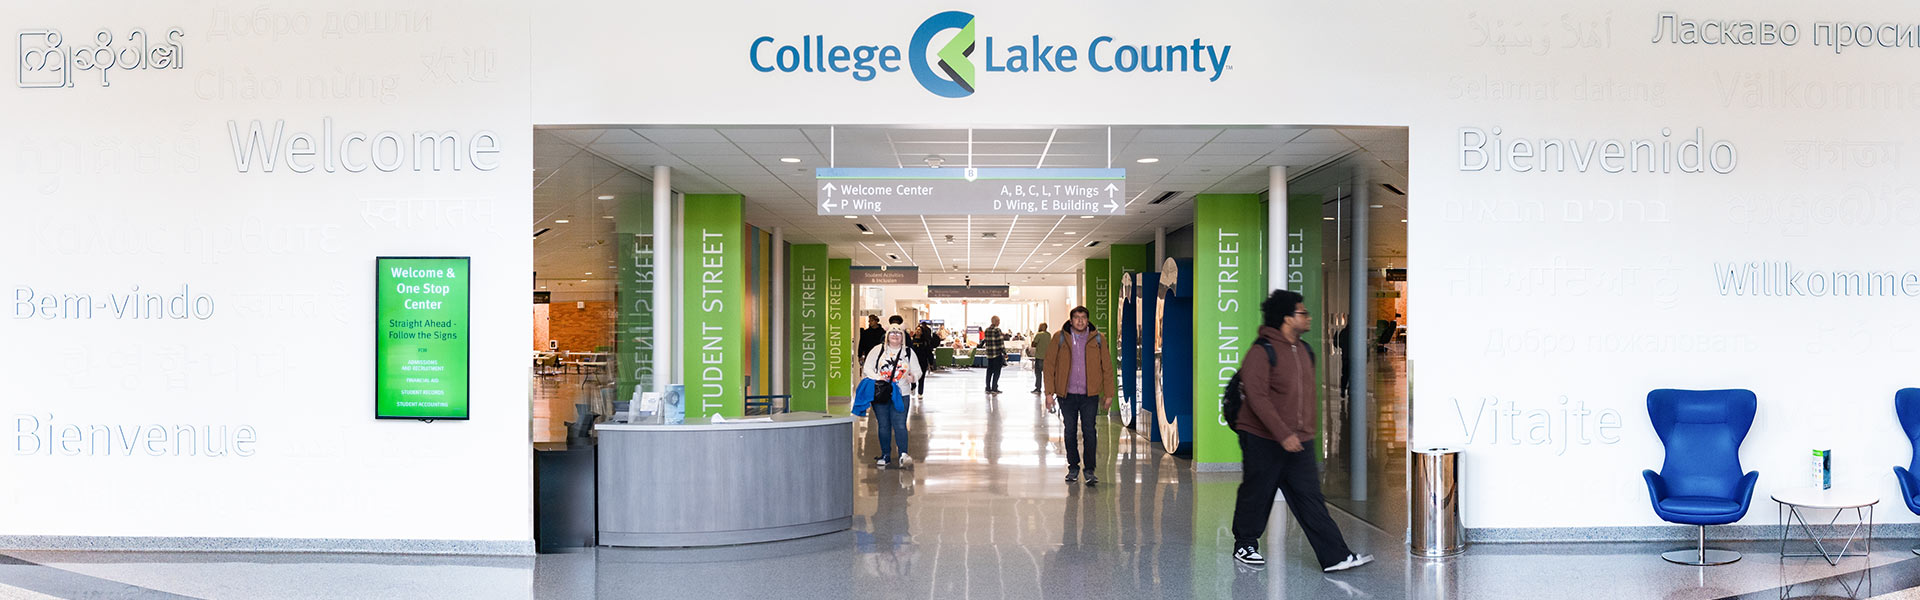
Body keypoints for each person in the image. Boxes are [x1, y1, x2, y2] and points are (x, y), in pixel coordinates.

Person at [1230, 289, 1372, 573]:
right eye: (1302, 313)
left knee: (1310, 499)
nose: (1307, 317)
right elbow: (1258, 398)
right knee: (1258, 491)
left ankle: (1335, 556)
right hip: (1262, 437)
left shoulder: (1305, 350)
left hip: (1298, 441)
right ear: (1286, 318)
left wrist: (1305, 433)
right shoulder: (1262, 351)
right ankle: (1245, 544)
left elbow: (1304, 397)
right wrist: (1283, 433)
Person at [1043, 307, 1112, 486]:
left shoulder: (1098, 339)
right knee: (1070, 430)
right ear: (1071, 320)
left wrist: (1109, 394)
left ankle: (1089, 470)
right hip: (1067, 394)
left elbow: (1107, 367)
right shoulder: (1059, 337)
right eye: (1076, 318)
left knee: (1090, 431)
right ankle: (1073, 467)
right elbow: (1049, 366)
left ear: (1088, 320)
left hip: (1090, 394)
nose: (1080, 321)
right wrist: (1049, 393)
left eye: (1083, 318)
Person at [863, 326, 922, 469]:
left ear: (902, 337)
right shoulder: (877, 350)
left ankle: (903, 454)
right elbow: (867, 368)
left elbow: (917, 370)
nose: (895, 336)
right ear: (887, 335)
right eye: (892, 333)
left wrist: (913, 377)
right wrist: (879, 378)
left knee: (900, 424)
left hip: (901, 394)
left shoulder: (908, 352)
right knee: (883, 425)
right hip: (881, 394)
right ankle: (885, 455)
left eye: (898, 333)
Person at [911, 323, 941, 397]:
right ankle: (913, 386)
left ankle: (920, 392)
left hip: (923, 361)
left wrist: (931, 363)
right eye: (916, 330)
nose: (918, 331)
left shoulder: (925, 342)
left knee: (921, 377)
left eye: (919, 330)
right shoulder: (911, 341)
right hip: (913, 362)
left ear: (922, 332)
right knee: (912, 376)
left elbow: (929, 353)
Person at [981, 316, 1008, 394]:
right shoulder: (997, 330)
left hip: (989, 354)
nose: (999, 322)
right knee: (997, 371)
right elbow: (1000, 343)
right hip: (997, 354)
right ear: (995, 321)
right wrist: (1005, 353)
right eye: (998, 321)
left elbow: (985, 341)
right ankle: (994, 388)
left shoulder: (986, 330)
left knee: (989, 371)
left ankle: (988, 387)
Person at [1028, 323, 1051, 394]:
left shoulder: (1039, 334)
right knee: (1047, 374)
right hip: (1047, 357)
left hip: (1039, 356)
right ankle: (1048, 389)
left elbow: (1033, 344)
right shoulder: (1049, 334)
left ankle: (1038, 388)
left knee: (1038, 373)